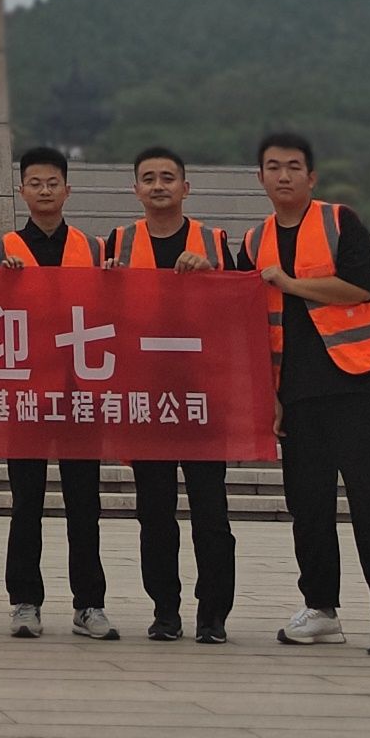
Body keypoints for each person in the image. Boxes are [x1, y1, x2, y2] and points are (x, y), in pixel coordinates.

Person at [247, 130, 370, 657]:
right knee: (308, 504)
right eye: (274, 167)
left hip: (352, 380)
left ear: (311, 177)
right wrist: (270, 395)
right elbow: (249, 321)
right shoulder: (252, 241)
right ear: (260, 178)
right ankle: (320, 608)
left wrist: (290, 283)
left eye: (294, 167)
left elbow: (359, 287)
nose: (284, 175)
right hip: (294, 392)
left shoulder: (341, 222)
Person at [0, 145, 116, 641]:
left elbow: (114, 311)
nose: (44, 191)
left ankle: (89, 604)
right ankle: (25, 602)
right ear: (21, 190)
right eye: (35, 183)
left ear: (67, 189)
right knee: (27, 501)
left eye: (52, 183)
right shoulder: (0, 250)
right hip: (25, 394)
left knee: (85, 503)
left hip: (80, 392)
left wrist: (114, 282)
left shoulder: (95, 250)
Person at [111, 146, 234, 642]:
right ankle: (165, 610)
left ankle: (213, 615)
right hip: (147, 397)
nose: (158, 186)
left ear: (186, 186)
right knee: (155, 512)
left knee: (211, 512)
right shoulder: (118, 243)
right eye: (149, 178)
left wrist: (211, 276)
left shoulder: (215, 243)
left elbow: (239, 309)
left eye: (167, 177)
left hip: (203, 396)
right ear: (135, 189)